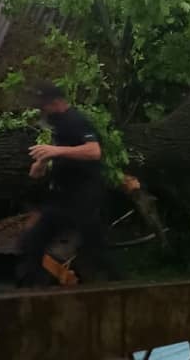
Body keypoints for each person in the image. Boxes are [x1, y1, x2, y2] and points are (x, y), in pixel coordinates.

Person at [17, 82, 111, 286]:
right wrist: (42, 161)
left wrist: (55, 151)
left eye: (44, 106)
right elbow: (62, 157)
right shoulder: (58, 125)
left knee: (92, 247)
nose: (42, 111)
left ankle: (110, 283)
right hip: (64, 197)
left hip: (83, 196)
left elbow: (94, 151)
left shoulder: (75, 120)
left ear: (57, 102)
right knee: (31, 242)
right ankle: (31, 287)